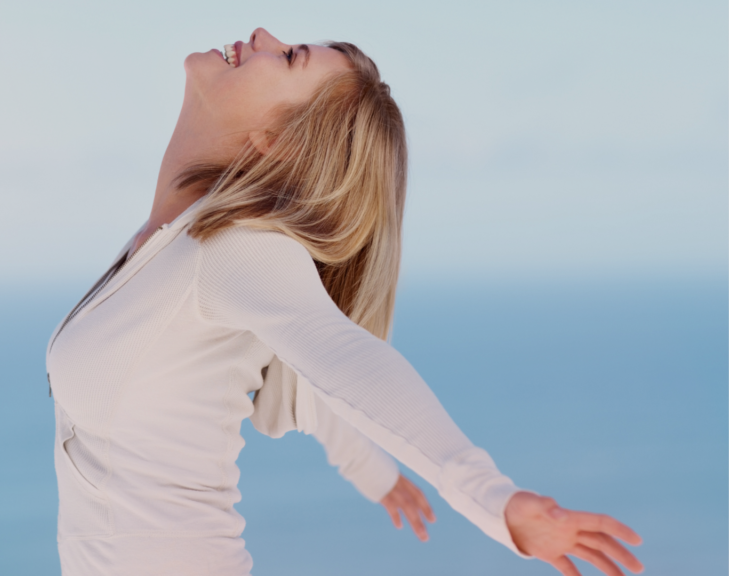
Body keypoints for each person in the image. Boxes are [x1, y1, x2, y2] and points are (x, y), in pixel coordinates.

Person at [45, 28, 644, 576]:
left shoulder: (236, 248)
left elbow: (341, 357)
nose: (262, 35)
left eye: (287, 57)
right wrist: (376, 475)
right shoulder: (174, 244)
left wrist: (494, 499)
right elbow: (306, 387)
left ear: (275, 140)